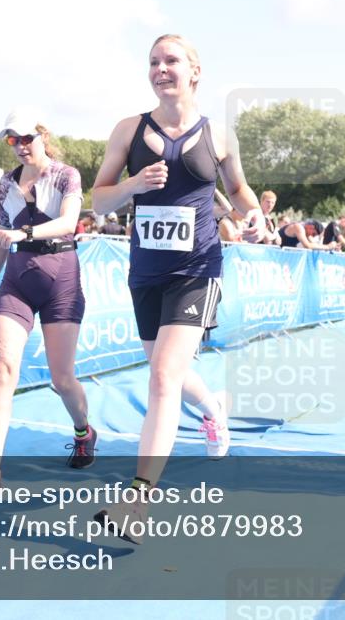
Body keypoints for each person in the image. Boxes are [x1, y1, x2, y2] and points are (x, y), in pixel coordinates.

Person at [91, 34, 266, 540]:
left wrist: (253, 214)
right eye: (153, 62)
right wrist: (133, 185)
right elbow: (98, 202)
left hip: (197, 268)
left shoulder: (219, 135)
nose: (160, 69)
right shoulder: (128, 130)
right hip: (147, 271)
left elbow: (238, 190)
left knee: (164, 376)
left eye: (171, 60)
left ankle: (137, 501)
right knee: (164, 368)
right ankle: (213, 408)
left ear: (195, 72)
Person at [0, 109, 95, 497]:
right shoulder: (7, 182)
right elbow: (0, 236)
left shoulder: (66, 174)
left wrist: (24, 232)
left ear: (42, 136)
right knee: (3, 372)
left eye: (26, 138)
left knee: (62, 379)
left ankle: (83, 432)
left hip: (61, 281)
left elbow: (68, 222)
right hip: (17, 282)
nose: (20, 146)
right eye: (12, 140)